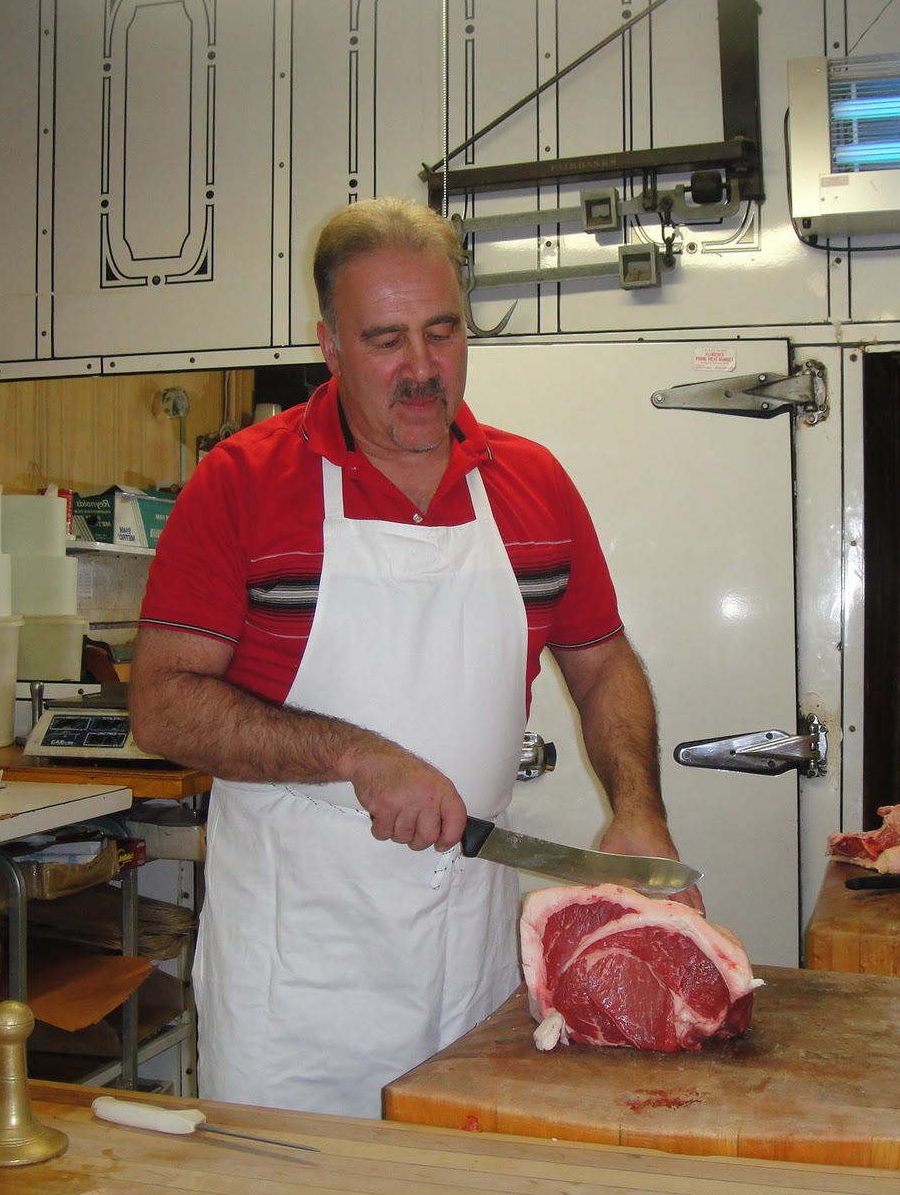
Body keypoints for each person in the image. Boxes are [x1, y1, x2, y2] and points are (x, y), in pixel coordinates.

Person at [129, 196, 700, 1119]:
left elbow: (602, 665)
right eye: (386, 340)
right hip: (298, 988)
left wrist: (637, 808)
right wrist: (355, 755)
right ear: (330, 345)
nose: (422, 370)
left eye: (443, 332)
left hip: (472, 964)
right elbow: (162, 707)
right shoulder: (241, 482)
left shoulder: (534, 484)